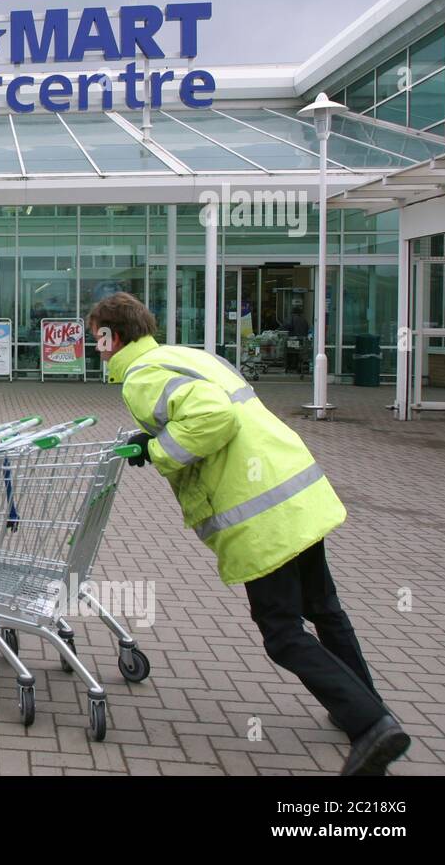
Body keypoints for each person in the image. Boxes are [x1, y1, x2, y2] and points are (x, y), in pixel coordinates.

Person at [88, 291, 410, 776]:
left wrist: (156, 454)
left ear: (113, 336)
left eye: (98, 339)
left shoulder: (141, 377)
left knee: (281, 633)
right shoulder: (187, 356)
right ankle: (364, 710)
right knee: (323, 608)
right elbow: (204, 406)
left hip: (258, 511)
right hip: (293, 488)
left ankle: (371, 727)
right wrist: (153, 438)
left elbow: (214, 418)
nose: (97, 349)